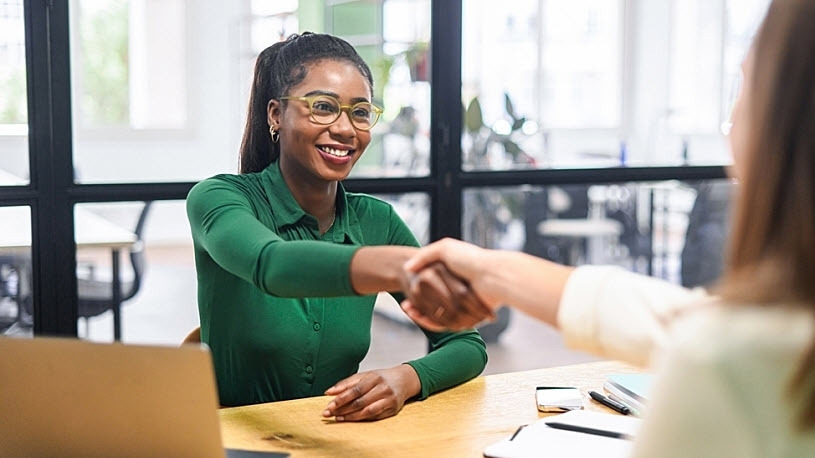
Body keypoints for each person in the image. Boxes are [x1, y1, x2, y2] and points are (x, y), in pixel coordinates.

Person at [402, 0, 815, 455]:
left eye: (745, 86)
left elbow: (713, 340)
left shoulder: (726, 366)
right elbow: (688, 321)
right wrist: (494, 271)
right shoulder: (760, 341)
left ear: (785, 124)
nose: (732, 121)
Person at [186, 33, 491, 421]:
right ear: (276, 115)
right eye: (323, 107)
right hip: (233, 439)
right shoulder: (219, 199)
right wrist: (397, 266)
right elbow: (272, 264)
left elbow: (466, 342)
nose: (346, 129)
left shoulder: (376, 222)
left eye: (360, 112)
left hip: (334, 437)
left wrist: (408, 378)